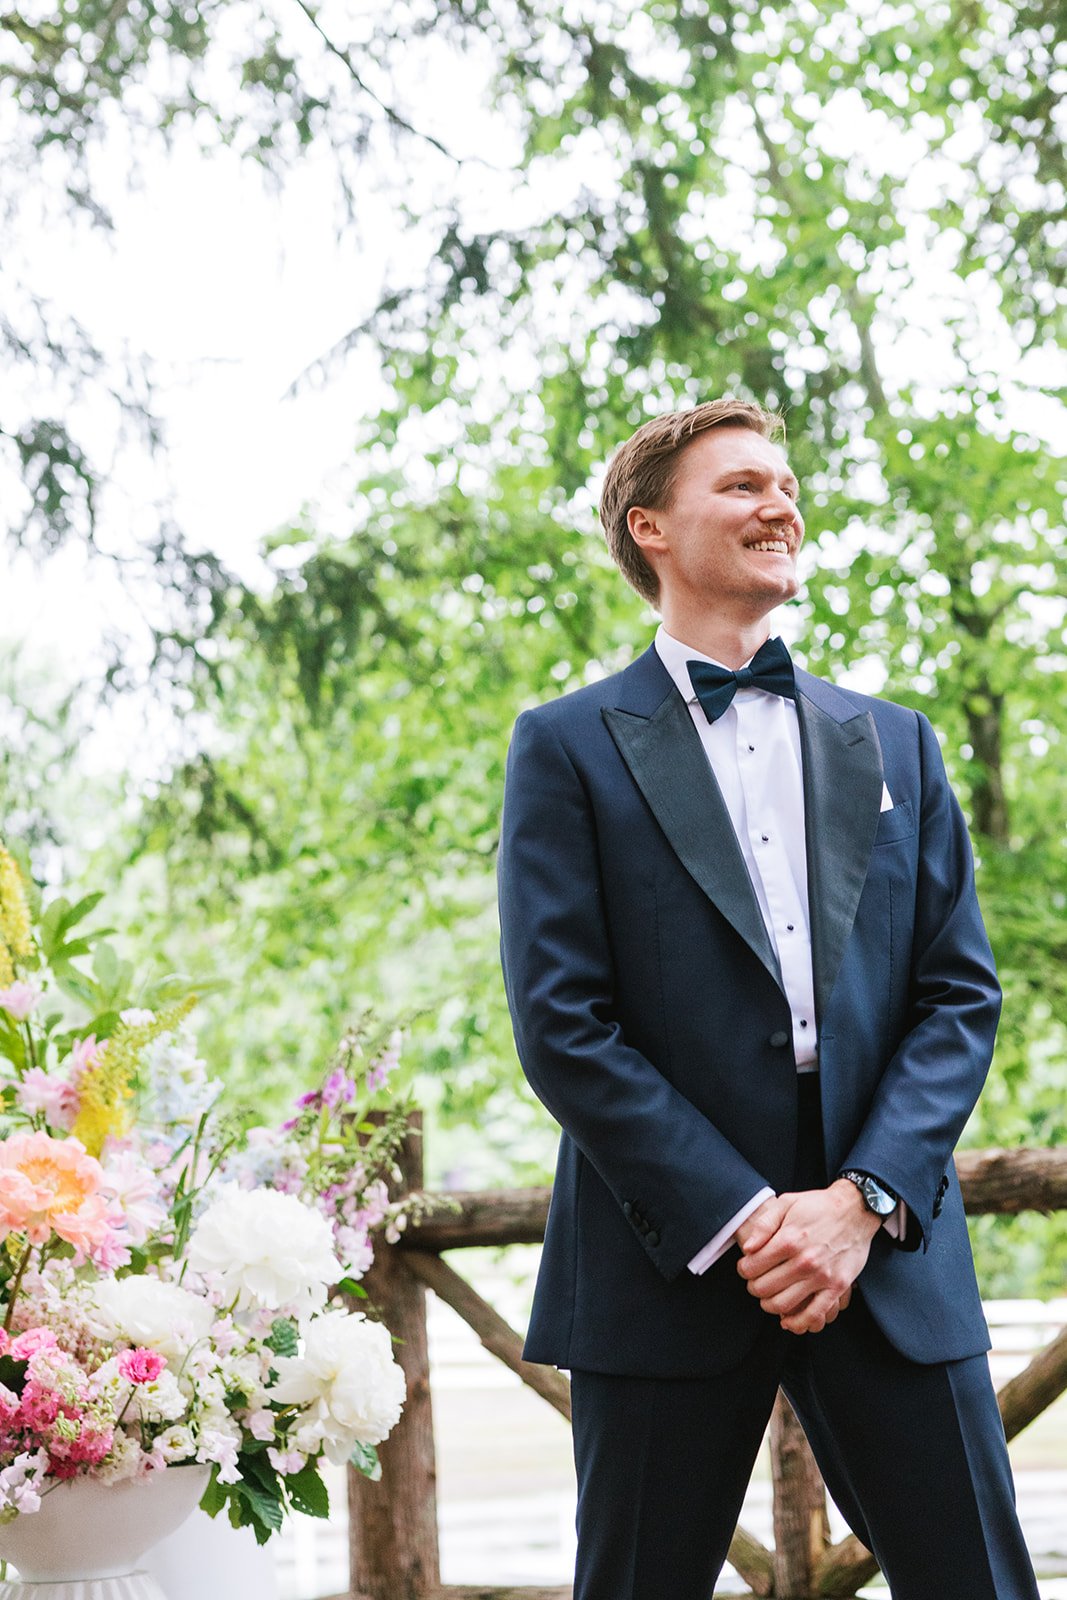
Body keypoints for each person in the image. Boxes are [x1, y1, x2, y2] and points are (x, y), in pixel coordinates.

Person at [496, 399, 1039, 1600]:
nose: (778, 505)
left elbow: (957, 996)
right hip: (664, 1252)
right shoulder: (565, 747)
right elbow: (562, 1026)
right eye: (740, 485)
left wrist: (856, 1203)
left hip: (886, 1244)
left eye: (784, 485)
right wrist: (750, 1219)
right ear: (647, 526)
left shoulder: (897, 744)